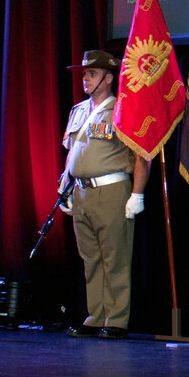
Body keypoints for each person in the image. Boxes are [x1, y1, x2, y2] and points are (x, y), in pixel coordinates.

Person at [60, 50, 150, 339]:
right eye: (85, 74)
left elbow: (141, 156)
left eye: (92, 74)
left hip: (112, 190)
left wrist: (137, 194)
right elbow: (72, 153)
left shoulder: (123, 110)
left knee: (115, 257)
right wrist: (66, 187)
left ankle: (116, 319)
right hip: (83, 193)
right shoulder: (79, 111)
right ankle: (95, 315)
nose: (86, 79)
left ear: (109, 78)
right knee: (91, 258)